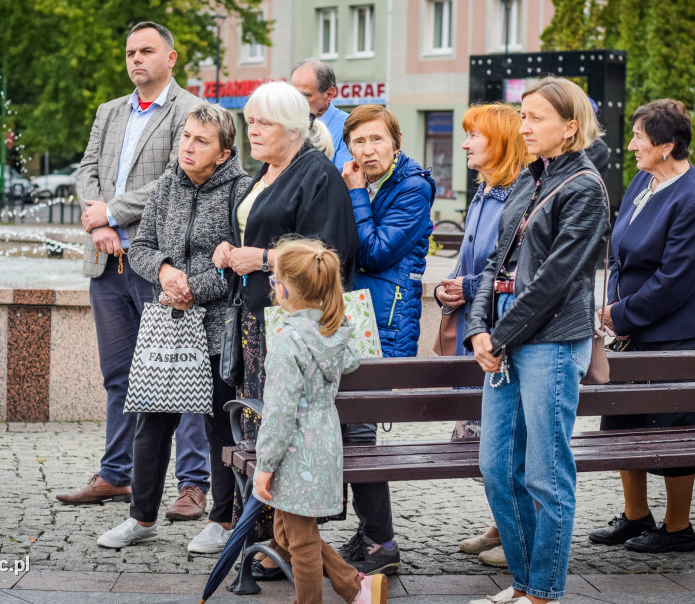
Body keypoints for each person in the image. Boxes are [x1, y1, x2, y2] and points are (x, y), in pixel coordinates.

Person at [465, 77, 608, 604]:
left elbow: (555, 280)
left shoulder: (585, 187)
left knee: (547, 474)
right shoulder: (529, 178)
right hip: (506, 333)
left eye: (535, 118)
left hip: (549, 338)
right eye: (522, 116)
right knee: (498, 467)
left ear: (570, 127)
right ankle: (524, 583)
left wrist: (497, 335)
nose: (523, 127)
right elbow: (493, 267)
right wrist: (479, 327)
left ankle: (543, 591)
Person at [212, 80, 359, 578]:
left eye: (263, 122)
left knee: (276, 429)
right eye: (249, 120)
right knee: (258, 426)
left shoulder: (317, 175)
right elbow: (256, 229)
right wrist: (232, 252)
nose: (251, 129)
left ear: (293, 129)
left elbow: (329, 254)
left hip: (294, 324)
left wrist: (263, 258)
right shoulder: (267, 169)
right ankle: (263, 538)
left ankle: (285, 543)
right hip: (258, 317)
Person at [62, 21, 210, 518]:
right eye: (130, 52)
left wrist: (113, 213)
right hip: (107, 263)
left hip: (160, 265)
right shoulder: (109, 111)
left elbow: (176, 177)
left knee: (182, 375)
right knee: (118, 375)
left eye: (147, 51)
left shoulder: (191, 112)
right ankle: (115, 475)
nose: (136, 60)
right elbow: (86, 168)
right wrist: (97, 219)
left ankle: (193, 484)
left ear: (171, 57)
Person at [96, 102, 251, 552]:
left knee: (220, 427)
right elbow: (140, 245)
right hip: (169, 323)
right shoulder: (167, 186)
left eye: (201, 140)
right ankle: (141, 518)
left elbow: (240, 265)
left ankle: (223, 521)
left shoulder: (240, 192)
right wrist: (164, 271)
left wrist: (194, 288)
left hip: (219, 326)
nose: (187, 146)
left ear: (223, 152)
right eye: (186, 136)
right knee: (152, 421)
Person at [590, 99, 695, 554]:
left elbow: (674, 281)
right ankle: (635, 517)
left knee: (675, 428)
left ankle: (678, 528)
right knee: (626, 419)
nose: (630, 146)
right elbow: (618, 251)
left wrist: (620, 317)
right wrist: (614, 307)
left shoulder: (693, 199)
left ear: (666, 145)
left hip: (681, 332)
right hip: (634, 325)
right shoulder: (644, 181)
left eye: (639, 139)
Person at [254, 239, 388, 604]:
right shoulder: (334, 334)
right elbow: (351, 362)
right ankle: (354, 586)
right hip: (326, 445)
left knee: (299, 542)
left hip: (295, 454)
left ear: (284, 289)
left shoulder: (287, 342)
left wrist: (264, 465)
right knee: (286, 533)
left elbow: (279, 414)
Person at [338, 105, 435, 575]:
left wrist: (355, 194)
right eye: (358, 141)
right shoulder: (367, 182)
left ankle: (383, 542)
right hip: (355, 315)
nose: (367, 150)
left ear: (395, 142)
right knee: (354, 429)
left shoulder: (412, 187)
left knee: (359, 433)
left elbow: (375, 251)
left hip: (384, 320)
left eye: (377, 140)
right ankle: (372, 530)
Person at [437, 104, 532, 568]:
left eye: (475, 134)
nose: (466, 142)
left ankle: (521, 527)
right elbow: (469, 261)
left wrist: (469, 288)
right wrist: (446, 288)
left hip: (502, 333)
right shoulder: (483, 190)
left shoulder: (519, 194)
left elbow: (513, 270)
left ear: (501, 141)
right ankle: (504, 522)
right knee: (488, 442)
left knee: (510, 440)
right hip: (475, 328)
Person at [291, 59, 351, 169]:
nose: (297, 102)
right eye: (293, 95)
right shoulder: (289, 125)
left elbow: (341, 179)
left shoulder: (349, 127)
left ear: (329, 95)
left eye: (305, 95)